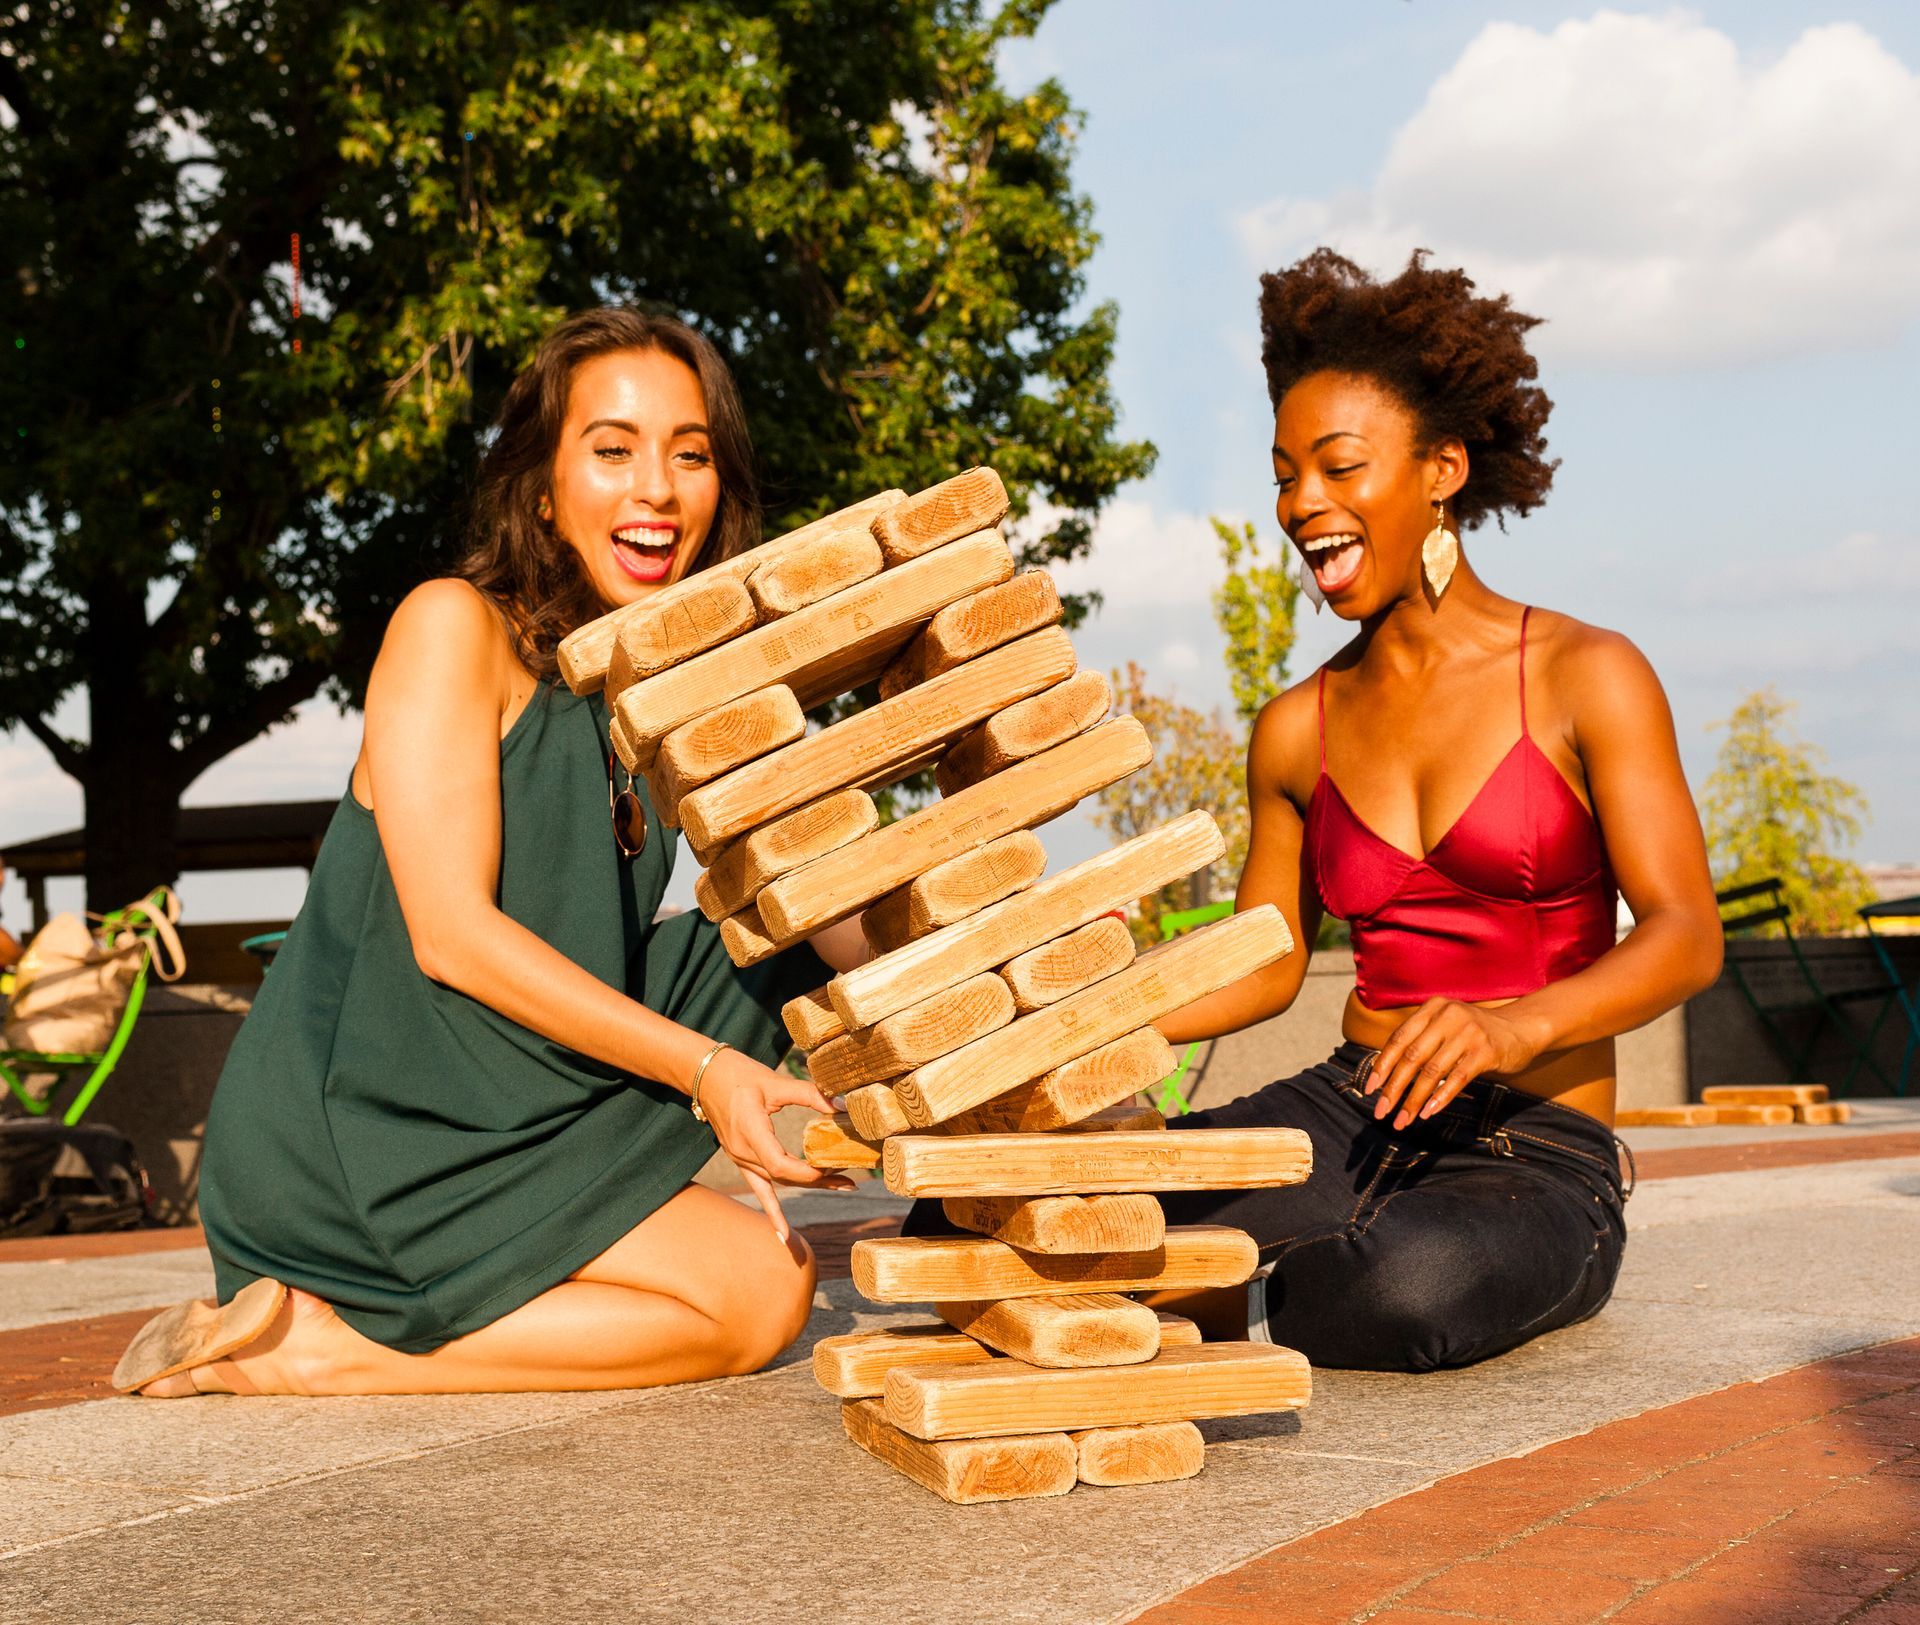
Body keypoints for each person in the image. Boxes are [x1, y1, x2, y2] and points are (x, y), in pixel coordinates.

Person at [115, 308, 865, 1398]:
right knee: (763, 1293)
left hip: (517, 1099)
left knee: (777, 959)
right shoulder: (451, 626)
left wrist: (1017, 966)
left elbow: (824, 904)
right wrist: (708, 1071)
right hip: (366, 1133)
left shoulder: (672, 704)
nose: (656, 487)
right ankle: (318, 1348)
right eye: (612, 449)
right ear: (542, 485)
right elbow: (453, 937)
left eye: (690, 453)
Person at [1140, 251, 1725, 1371]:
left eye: (1338, 465)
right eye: (1284, 473)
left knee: (1409, 1283)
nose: (1302, 501)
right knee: (1039, 1199)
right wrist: (1083, 1021)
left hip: (1532, 1147)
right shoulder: (1295, 727)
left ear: (1442, 468)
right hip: (1346, 1113)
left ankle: (1184, 1299)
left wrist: (1513, 1023)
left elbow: (1685, 932)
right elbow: (1266, 964)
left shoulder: (1585, 673)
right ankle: (1189, 1283)